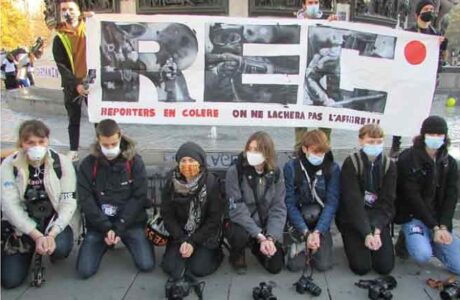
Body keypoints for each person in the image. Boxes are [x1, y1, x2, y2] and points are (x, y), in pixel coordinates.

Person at [1, 120, 77, 288]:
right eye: (30, 143)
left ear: (47, 141)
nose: (37, 146)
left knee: (61, 248)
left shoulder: (62, 162)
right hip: (22, 227)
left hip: (52, 222)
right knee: (9, 281)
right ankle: (29, 250)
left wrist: (52, 234)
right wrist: (36, 235)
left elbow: (68, 201)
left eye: (41, 142)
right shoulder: (9, 165)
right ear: (22, 143)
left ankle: (50, 246)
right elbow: (10, 205)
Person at [76, 119, 154, 278]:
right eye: (106, 145)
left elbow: (139, 198)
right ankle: (105, 244)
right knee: (84, 271)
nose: (110, 148)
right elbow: (86, 200)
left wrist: (120, 226)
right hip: (99, 224)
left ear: (120, 137)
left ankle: (129, 241)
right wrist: (106, 227)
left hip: (130, 223)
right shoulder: (88, 164)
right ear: (98, 140)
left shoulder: (135, 162)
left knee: (146, 265)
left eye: (114, 143)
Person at [394, 116, 459, 275]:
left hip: (439, 219)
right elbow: (412, 197)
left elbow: (452, 196)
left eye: (439, 135)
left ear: (445, 136)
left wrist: (443, 226)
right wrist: (434, 226)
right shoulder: (408, 158)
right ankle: (408, 239)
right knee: (422, 255)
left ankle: (434, 240)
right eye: (431, 134)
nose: (436, 138)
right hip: (414, 216)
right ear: (423, 135)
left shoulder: (450, 163)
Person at [336, 124, 396, 275]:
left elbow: (387, 201)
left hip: (376, 216)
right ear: (361, 141)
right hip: (353, 219)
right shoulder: (351, 163)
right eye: (370, 141)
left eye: (379, 141)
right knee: (361, 267)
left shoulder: (389, 165)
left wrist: (377, 230)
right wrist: (366, 232)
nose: (375, 145)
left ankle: (376, 237)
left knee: (384, 267)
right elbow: (352, 201)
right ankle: (353, 240)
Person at [391, 0, 449, 156]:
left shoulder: (436, 35)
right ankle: (396, 144)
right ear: (418, 13)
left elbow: (439, 59)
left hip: (426, 82)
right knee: (402, 110)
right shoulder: (408, 32)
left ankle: (418, 143)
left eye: (432, 9)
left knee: (421, 112)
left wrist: (443, 45)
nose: (430, 11)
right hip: (408, 79)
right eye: (426, 9)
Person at [160, 142, 224, 281]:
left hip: (204, 234)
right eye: (183, 160)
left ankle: (216, 253)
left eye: (191, 160)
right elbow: (167, 215)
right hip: (179, 233)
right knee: (170, 268)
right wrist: (182, 239)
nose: (187, 164)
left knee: (199, 269)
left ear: (200, 162)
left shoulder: (211, 183)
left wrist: (193, 241)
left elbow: (214, 219)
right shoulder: (171, 182)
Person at [225, 131, 287, 274]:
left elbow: (278, 207)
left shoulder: (276, 173)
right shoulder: (235, 171)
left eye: (257, 150)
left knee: (276, 266)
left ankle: (258, 247)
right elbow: (237, 209)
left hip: (265, 223)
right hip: (242, 222)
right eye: (250, 149)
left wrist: (271, 237)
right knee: (238, 234)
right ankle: (237, 254)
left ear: (267, 153)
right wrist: (259, 235)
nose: (251, 153)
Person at [284, 130, 340, 272]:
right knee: (295, 266)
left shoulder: (332, 168)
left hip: (320, 219)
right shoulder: (291, 168)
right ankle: (301, 242)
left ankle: (317, 242)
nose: (319, 156)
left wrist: (318, 231)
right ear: (304, 149)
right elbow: (289, 204)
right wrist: (305, 232)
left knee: (323, 265)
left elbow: (331, 203)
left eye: (322, 152)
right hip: (300, 218)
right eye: (315, 152)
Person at [294, 0, 338, 149]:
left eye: (316, 2)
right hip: (300, 75)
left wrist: (334, 25)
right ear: (304, 5)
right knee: (300, 119)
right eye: (310, 2)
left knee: (325, 118)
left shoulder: (326, 23)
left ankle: (325, 151)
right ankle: (300, 152)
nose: (314, 5)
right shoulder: (295, 24)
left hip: (320, 74)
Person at [53, 0, 89, 162]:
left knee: (97, 118)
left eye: (71, 9)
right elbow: (62, 66)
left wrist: (95, 18)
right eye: (64, 9)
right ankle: (73, 149)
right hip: (71, 84)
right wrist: (76, 84)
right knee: (73, 119)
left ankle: (102, 147)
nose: (68, 12)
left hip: (91, 82)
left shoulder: (90, 27)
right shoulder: (59, 37)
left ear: (78, 10)